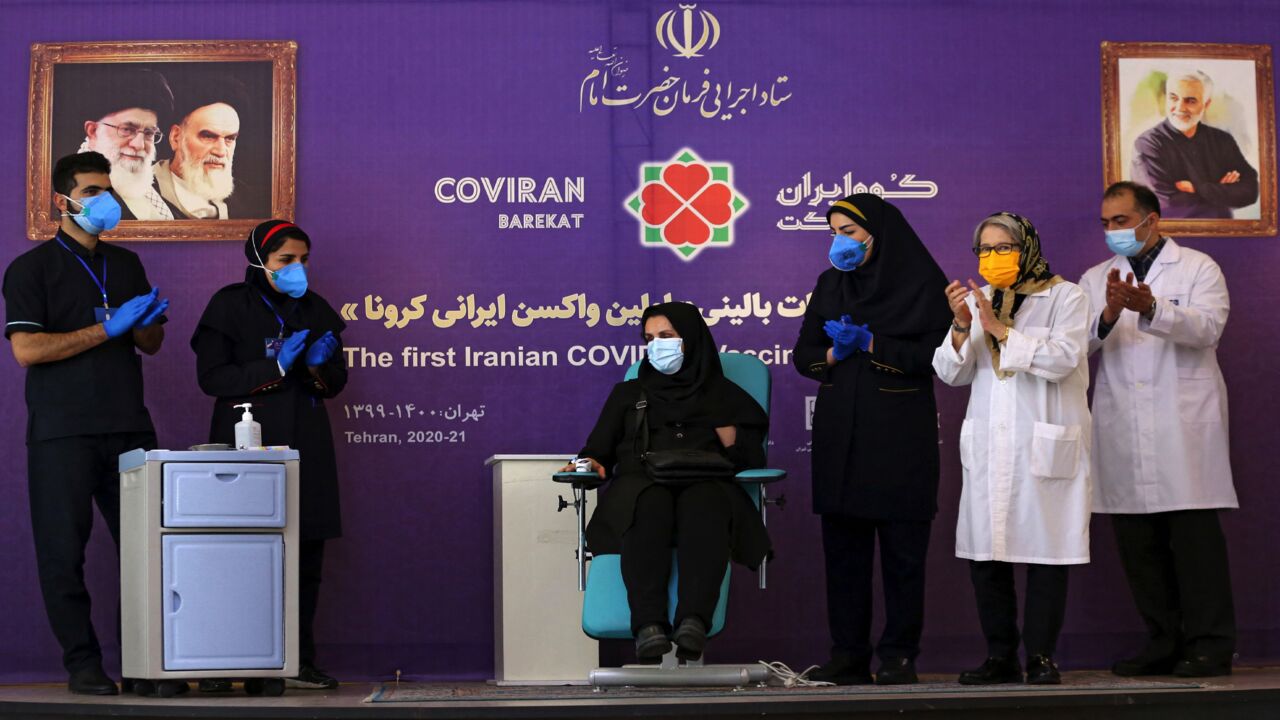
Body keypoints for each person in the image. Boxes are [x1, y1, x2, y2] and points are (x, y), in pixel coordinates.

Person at [3, 151, 169, 695]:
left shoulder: (125, 265)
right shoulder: (31, 270)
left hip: (129, 427)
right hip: (63, 432)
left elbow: (153, 343)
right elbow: (27, 350)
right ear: (64, 200)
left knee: (148, 551)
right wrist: (106, 329)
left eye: (109, 190)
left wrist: (141, 324)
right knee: (63, 552)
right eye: (93, 191)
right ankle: (83, 664)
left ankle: (148, 666)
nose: (106, 201)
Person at [792, 194, 952, 686]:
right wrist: (837, 355)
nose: (840, 241)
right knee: (845, 558)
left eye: (850, 231)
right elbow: (805, 355)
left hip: (901, 435)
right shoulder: (830, 284)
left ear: (878, 233)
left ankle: (900, 654)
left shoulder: (923, 283)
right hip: (843, 434)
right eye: (834, 231)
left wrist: (872, 344)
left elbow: (937, 359)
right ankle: (849, 655)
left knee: (904, 556)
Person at [1081, 181, 1237, 678]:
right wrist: (1108, 312)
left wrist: (1151, 308)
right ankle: (1163, 640)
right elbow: (1078, 345)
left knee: (1194, 546)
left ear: (1152, 220)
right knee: (1139, 546)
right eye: (1106, 223)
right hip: (1123, 423)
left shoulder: (1196, 267)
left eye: (1121, 221)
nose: (1113, 232)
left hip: (1181, 423)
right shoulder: (1097, 276)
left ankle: (1211, 644)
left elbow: (1209, 328)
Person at [932, 212, 1091, 686]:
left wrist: (1000, 329)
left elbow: (1064, 359)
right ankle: (999, 656)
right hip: (989, 447)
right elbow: (951, 372)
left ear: (1028, 247)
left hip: (1042, 444)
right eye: (984, 250)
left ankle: (1041, 657)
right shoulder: (982, 301)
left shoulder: (1066, 296)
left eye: (1004, 248)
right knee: (988, 556)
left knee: (1046, 553)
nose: (993, 258)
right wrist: (962, 326)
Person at [566, 302, 770, 662]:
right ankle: (649, 627)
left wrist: (723, 423)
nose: (656, 345)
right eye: (649, 338)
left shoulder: (723, 395)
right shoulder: (628, 394)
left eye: (666, 336)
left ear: (691, 340)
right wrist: (586, 464)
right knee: (648, 504)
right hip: (641, 484)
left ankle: (693, 622)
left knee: (704, 504)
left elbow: (752, 460)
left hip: (709, 483)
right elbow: (597, 451)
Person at [190, 219, 346, 690]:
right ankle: (232, 662)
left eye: (303, 259)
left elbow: (336, 383)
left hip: (307, 441)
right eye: (286, 261)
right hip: (246, 446)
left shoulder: (316, 309)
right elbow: (212, 378)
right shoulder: (228, 305)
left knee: (305, 554)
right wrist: (277, 365)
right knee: (242, 554)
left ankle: (298, 661)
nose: (298, 269)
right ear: (259, 260)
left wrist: (318, 366)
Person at [1131, 68, 1259, 219]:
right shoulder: (1148, 144)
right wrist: (1221, 191)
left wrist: (1198, 188)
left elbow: (1251, 191)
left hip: (1223, 232)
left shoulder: (1222, 140)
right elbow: (1163, 205)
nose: (1179, 108)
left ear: (1206, 104)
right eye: (1173, 98)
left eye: (1190, 100)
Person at [75, 67, 175, 220]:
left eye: (149, 133)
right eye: (127, 129)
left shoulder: (156, 193)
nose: (139, 145)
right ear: (93, 131)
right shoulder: (69, 196)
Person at [155, 92, 240, 219]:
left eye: (229, 139)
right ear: (176, 137)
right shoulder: (141, 193)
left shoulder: (249, 199)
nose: (221, 151)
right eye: (208, 136)